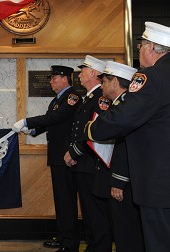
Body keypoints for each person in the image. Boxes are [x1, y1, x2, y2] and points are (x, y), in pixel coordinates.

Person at [86, 22, 170, 252]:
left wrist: (92, 129)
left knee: (160, 243)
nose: (140, 50)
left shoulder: (152, 77)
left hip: (159, 185)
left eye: (141, 45)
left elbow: (123, 118)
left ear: (151, 47)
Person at [13, 66, 81, 252]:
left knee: (66, 200)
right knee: (60, 199)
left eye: (54, 78)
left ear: (65, 79)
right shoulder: (58, 99)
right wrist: (33, 130)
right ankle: (63, 236)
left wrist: (27, 122)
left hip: (66, 156)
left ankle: (70, 243)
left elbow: (56, 116)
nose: (51, 81)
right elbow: (52, 121)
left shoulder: (72, 97)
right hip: (57, 155)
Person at [64, 55, 112, 252]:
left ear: (93, 73)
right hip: (85, 165)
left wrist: (74, 152)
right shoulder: (89, 98)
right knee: (89, 212)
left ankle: (99, 247)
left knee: (96, 213)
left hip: (93, 164)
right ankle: (93, 246)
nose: (80, 75)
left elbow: (96, 132)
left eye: (83, 71)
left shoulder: (100, 99)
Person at [95, 61, 145, 252]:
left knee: (127, 230)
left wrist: (119, 180)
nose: (102, 86)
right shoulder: (118, 105)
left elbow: (125, 145)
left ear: (115, 82)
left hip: (125, 179)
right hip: (119, 176)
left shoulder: (125, 106)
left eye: (105, 81)